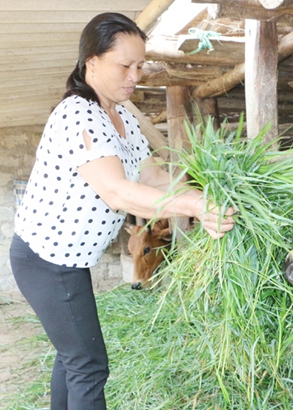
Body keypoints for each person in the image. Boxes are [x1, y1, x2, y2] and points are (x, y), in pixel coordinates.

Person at [9, 12, 235, 410]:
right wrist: (192, 205)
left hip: (69, 261)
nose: (135, 75)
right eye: (124, 65)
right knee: (88, 365)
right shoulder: (78, 113)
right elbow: (117, 192)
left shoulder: (124, 116)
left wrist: (203, 195)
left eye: (139, 65)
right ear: (91, 62)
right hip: (46, 261)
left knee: (74, 357)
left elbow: (150, 176)